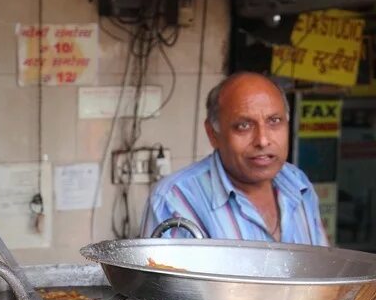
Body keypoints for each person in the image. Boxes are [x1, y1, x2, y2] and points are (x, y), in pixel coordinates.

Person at [140, 72, 328, 246]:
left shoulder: (298, 183)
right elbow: (163, 282)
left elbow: (325, 273)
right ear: (213, 134)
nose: (262, 140)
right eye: (244, 125)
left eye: (274, 121)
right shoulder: (174, 200)